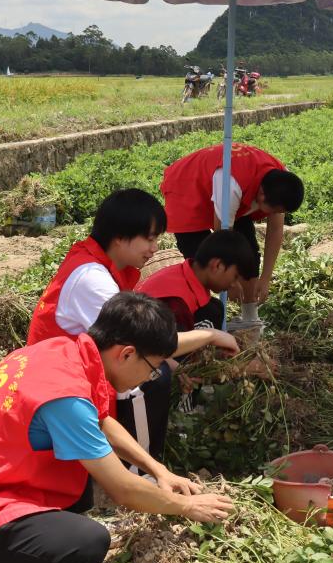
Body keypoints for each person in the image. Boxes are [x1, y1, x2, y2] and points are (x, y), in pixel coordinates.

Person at [0, 292, 235, 563]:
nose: (150, 378)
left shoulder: (65, 351)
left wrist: (158, 470)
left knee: (78, 488)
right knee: (85, 542)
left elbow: (101, 419)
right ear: (127, 353)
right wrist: (187, 506)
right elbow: (123, 490)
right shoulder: (64, 396)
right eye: (152, 368)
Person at [27, 188, 238, 461]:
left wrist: (175, 366)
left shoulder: (98, 265)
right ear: (119, 237)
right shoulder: (92, 278)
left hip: (69, 370)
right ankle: (138, 471)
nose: (154, 248)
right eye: (149, 239)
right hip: (57, 385)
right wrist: (209, 335)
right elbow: (142, 341)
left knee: (158, 368)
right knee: (148, 378)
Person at [160, 143, 304, 324]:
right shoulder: (231, 184)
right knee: (202, 262)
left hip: (232, 188)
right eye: (274, 210)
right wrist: (231, 283)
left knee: (248, 253)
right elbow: (222, 239)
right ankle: (199, 318)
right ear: (260, 196)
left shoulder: (282, 182)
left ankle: (251, 318)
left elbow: (275, 229)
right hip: (188, 187)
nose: (275, 215)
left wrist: (266, 278)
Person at [136, 229, 259, 335]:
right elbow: (172, 347)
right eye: (235, 277)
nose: (234, 284)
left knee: (214, 308)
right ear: (218, 266)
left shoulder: (185, 275)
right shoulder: (177, 303)